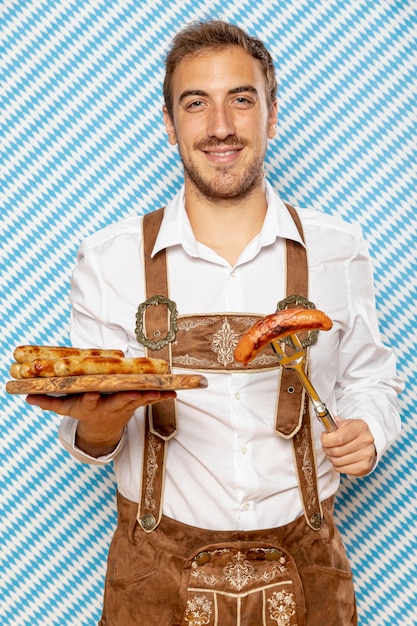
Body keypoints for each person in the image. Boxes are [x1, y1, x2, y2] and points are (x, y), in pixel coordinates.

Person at [27, 20, 402, 626]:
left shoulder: (339, 248)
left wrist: (369, 427)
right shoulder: (108, 257)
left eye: (241, 100)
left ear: (272, 114)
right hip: (152, 577)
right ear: (170, 124)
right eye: (195, 103)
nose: (220, 125)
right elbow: (90, 439)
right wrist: (96, 428)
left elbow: (371, 377)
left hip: (308, 574)